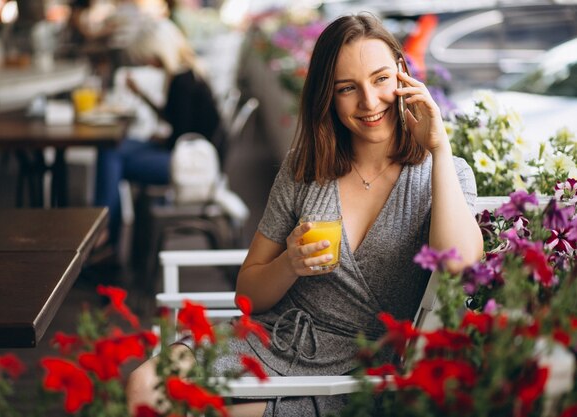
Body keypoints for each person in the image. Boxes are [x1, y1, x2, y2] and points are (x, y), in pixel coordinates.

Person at [125, 12, 483, 416]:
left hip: (353, 368)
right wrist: (289, 264)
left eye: (381, 79)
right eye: (347, 88)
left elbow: (460, 264)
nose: (369, 102)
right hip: (270, 336)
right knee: (145, 385)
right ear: (327, 96)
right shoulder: (305, 169)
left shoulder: (443, 173)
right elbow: (247, 295)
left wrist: (440, 147)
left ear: (403, 74)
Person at [93, 18, 223, 252]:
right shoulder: (188, 72)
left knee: (112, 156)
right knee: (113, 150)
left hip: (190, 165)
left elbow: (180, 133)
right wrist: (142, 95)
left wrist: (162, 138)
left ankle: (105, 235)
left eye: (148, 57)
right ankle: (106, 234)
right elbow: (177, 121)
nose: (146, 63)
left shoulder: (182, 81)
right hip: (192, 154)